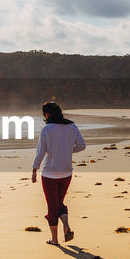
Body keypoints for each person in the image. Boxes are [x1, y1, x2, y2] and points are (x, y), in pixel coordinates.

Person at [30, 101, 85, 245]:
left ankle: (54, 240)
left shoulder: (47, 130)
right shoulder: (71, 126)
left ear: (47, 115)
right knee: (59, 202)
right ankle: (66, 226)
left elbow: (41, 151)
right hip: (67, 173)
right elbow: (81, 145)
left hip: (49, 174)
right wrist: (66, 151)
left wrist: (35, 169)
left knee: (52, 206)